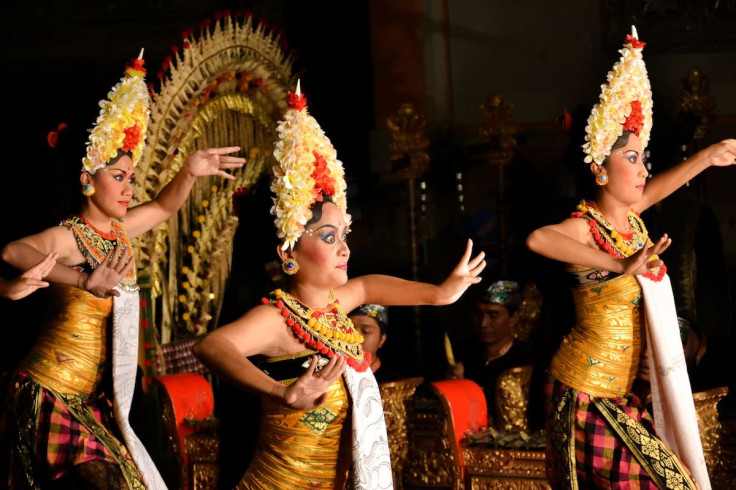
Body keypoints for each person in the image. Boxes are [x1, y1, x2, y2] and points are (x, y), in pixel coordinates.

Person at [192, 83, 485, 489]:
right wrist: (282, 393)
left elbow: (367, 288)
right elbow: (210, 346)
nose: (343, 248)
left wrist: (440, 294)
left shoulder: (334, 306)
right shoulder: (277, 318)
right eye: (329, 237)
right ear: (289, 252)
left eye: (344, 234)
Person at [0, 52, 244, 489]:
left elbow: (166, 206)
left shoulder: (119, 232)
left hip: (90, 402)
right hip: (49, 394)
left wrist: (189, 172)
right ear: (87, 180)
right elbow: (14, 252)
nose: (129, 188)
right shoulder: (70, 237)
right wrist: (82, 281)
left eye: (131, 178)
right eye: (118, 176)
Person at [526, 27, 736, 489]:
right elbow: (539, 240)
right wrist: (620, 266)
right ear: (599, 167)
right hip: (581, 392)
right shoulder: (585, 225)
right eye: (633, 158)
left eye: (645, 158)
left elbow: (658, 189)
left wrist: (708, 155)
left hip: (622, 394)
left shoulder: (631, 222)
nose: (644, 170)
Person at [448, 280, 534, 420]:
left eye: (493, 315)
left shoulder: (527, 360)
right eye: (478, 314)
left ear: (513, 318)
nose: (483, 323)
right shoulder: (462, 353)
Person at [349, 304, 403, 384]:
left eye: (365, 331)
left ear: (382, 340)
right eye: (349, 330)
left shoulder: (393, 381)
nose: (356, 338)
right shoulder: (332, 376)